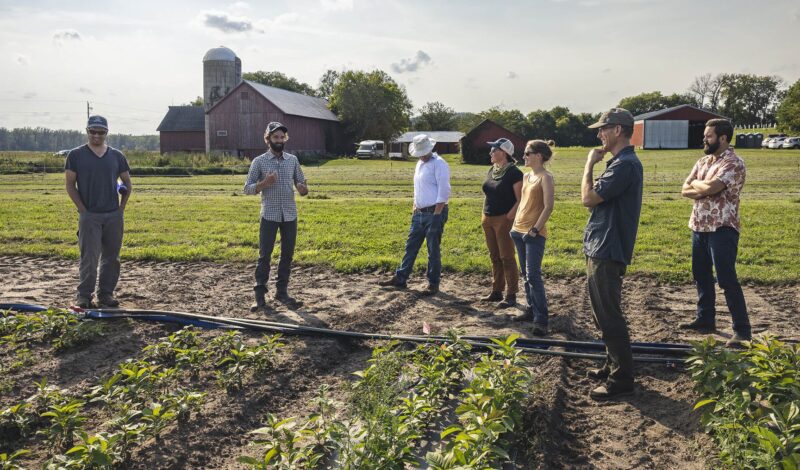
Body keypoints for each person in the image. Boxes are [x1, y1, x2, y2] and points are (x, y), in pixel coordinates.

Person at [581, 108, 643, 400]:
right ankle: (611, 363)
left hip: (609, 248)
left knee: (609, 315)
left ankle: (622, 379)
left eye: (603, 129)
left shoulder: (625, 165)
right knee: (600, 314)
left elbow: (588, 198)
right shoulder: (620, 162)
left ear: (618, 130)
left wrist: (589, 165)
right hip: (601, 245)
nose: (599, 135)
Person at [680, 118, 751, 348]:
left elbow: (710, 188)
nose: (704, 139)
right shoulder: (703, 161)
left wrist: (702, 186)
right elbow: (684, 189)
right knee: (701, 274)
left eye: (708, 136)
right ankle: (705, 319)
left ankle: (742, 330)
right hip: (699, 225)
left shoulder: (734, 163)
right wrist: (706, 186)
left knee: (726, 279)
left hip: (723, 227)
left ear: (723, 138)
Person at [65, 115, 132, 308]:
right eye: (92, 131)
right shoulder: (76, 155)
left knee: (112, 258)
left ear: (106, 133)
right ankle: (84, 296)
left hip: (113, 215)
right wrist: (83, 210)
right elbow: (70, 185)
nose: (96, 135)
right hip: (89, 216)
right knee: (89, 257)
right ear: (87, 132)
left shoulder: (117, 156)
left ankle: (106, 295)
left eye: (100, 132)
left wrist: (121, 209)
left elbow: (127, 182)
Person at [244, 122, 308, 311]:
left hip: (290, 214)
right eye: (275, 137)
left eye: (282, 137)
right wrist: (265, 182)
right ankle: (260, 297)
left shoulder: (292, 160)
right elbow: (247, 189)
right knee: (265, 256)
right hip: (269, 215)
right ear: (268, 139)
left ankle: (282, 293)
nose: (279, 141)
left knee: (287, 256)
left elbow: (301, 184)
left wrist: (303, 189)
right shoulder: (259, 161)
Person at [379, 134, 451, 295]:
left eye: (423, 152)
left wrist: (437, 215)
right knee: (410, 246)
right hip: (419, 212)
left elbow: (444, 191)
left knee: (433, 249)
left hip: (434, 212)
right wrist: (414, 207)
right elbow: (418, 188)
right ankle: (401, 277)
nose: (421, 156)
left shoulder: (439, 164)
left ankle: (433, 283)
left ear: (430, 149)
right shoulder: (419, 163)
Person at [510, 140, 555, 335]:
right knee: (525, 275)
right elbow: (522, 203)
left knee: (533, 275)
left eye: (527, 153)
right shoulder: (527, 176)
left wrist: (535, 229)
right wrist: (515, 226)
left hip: (533, 233)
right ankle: (531, 309)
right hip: (518, 231)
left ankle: (541, 320)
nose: (524, 156)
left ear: (539, 156)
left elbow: (548, 207)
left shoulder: (546, 177)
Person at [480, 138, 523, 308]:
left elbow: (520, 199)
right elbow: (488, 192)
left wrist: (508, 217)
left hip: (504, 219)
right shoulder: (492, 169)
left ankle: (511, 294)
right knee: (494, 256)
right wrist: (484, 214)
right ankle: (496, 290)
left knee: (506, 256)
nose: (490, 153)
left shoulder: (514, 173)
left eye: (494, 150)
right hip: (488, 218)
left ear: (504, 153)